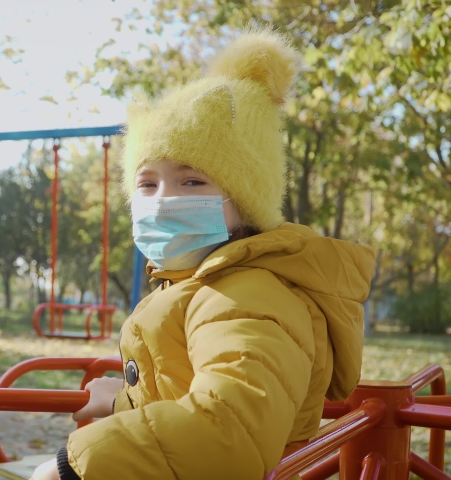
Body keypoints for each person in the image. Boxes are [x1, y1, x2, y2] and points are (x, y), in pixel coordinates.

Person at [30, 28, 375, 480]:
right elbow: (188, 391)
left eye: (192, 182)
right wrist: (123, 399)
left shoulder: (248, 296)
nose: (164, 200)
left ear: (246, 202)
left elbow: (228, 430)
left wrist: (71, 468)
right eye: (147, 184)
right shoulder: (205, 285)